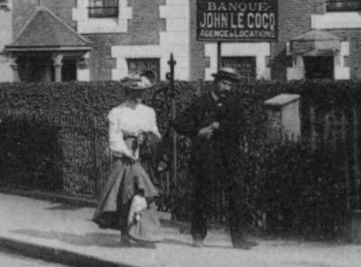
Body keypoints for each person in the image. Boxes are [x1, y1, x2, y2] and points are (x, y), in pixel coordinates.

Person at [180, 67, 255, 249]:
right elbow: (179, 123)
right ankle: (198, 235)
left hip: (230, 158)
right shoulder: (200, 103)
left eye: (230, 85)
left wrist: (219, 126)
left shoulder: (235, 104)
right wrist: (197, 132)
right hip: (206, 157)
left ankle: (239, 239)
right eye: (224, 83)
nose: (227, 88)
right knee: (202, 195)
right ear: (215, 83)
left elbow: (242, 127)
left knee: (237, 196)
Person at [92, 74, 162, 246]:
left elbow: (156, 134)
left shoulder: (148, 111)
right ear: (126, 91)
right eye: (134, 92)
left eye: (141, 92)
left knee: (144, 194)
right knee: (125, 194)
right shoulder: (117, 112)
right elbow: (114, 138)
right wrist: (126, 152)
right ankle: (126, 233)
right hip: (124, 156)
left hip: (143, 156)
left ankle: (145, 235)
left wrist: (148, 136)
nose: (138, 96)